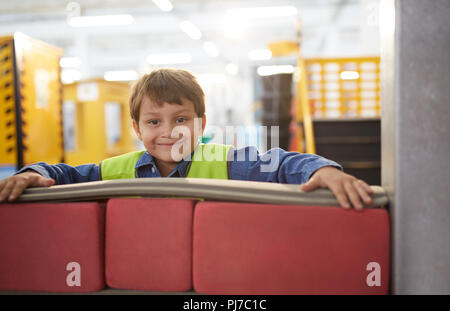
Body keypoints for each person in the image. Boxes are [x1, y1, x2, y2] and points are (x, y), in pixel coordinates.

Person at [0, 69, 374, 209]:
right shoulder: (114, 170)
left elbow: (282, 163)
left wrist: (324, 170)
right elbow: (66, 176)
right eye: (153, 121)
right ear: (136, 128)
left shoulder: (229, 161)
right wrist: (32, 173)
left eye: (181, 119)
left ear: (201, 123)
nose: (168, 132)